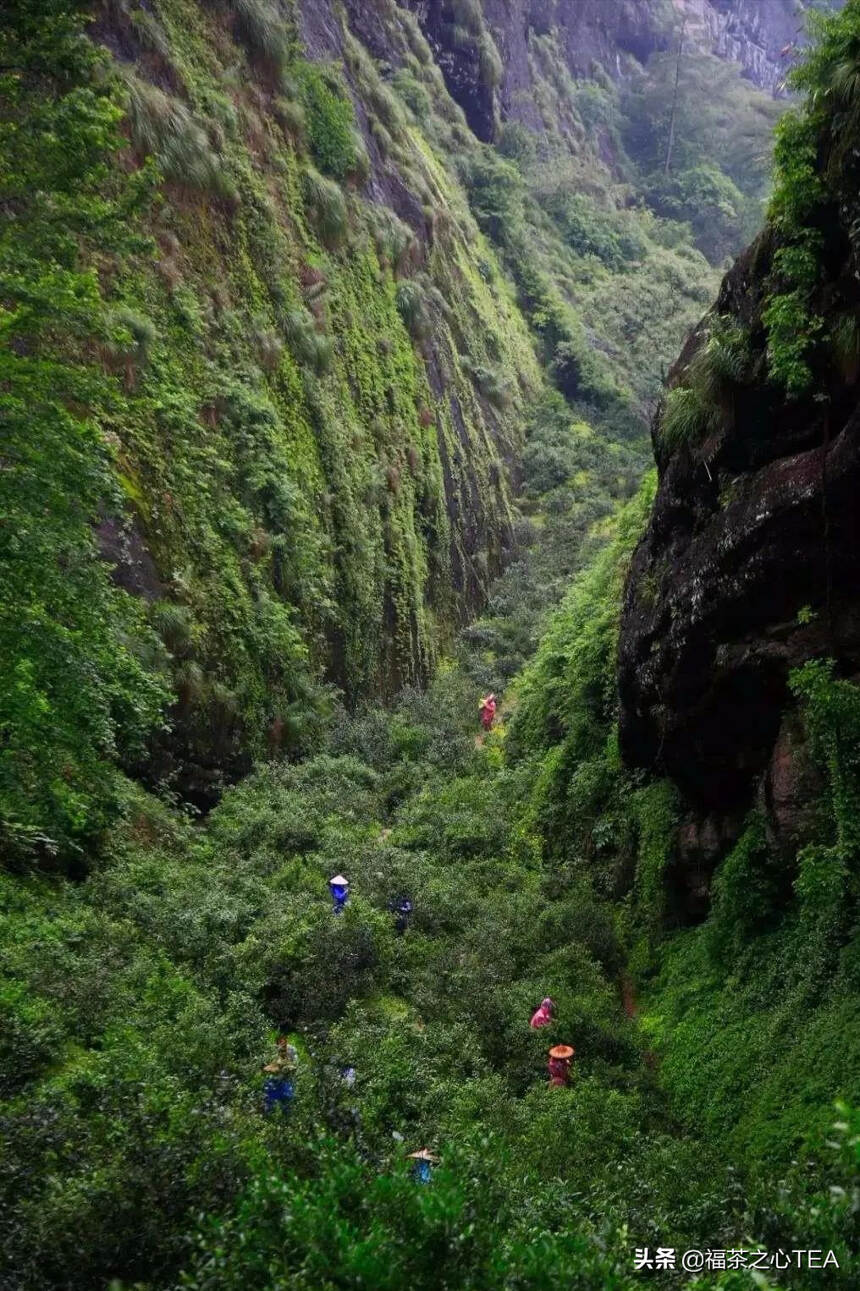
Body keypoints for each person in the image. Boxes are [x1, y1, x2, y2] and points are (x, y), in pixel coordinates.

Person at [263, 1036, 298, 1113]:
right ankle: (269, 1113)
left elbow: (293, 1068)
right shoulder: (273, 1053)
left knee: (286, 1103)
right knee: (269, 1102)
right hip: (273, 1082)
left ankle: (286, 1117)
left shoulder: (291, 1051)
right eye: (280, 1044)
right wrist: (276, 1069)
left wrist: (285, 1068)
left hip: (285, 1083)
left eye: (284, 1045)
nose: (282, 1047)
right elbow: (267, 1068)